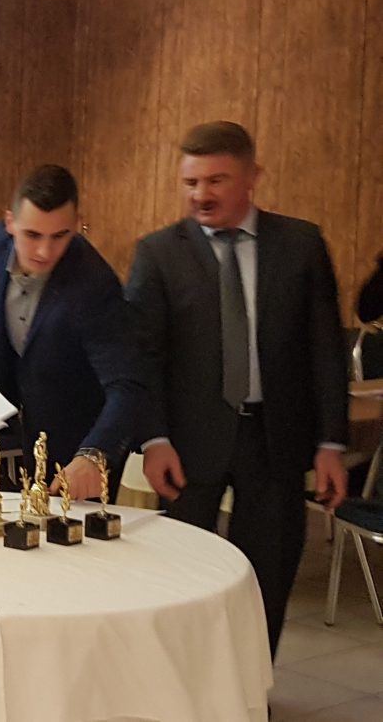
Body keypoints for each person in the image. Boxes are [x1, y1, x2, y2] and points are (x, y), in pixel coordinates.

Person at [126, 121, 349, 658]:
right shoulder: (159, 253)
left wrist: (331, 444)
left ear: (252, 177)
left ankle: (250, 688)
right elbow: (142, 359)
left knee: (266, 580)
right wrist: (154, 439)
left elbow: (325, 349)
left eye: (216, 181)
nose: (201, 195)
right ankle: (183, 687)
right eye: (191, 182)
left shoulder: (300, 246)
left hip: (275, 440)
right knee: (180, 581)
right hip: (188, 446)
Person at [0, 164, 143, 501]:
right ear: (10, 222)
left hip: (82, 432)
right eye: (32, 235)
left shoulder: (95, 284)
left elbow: (127, 385)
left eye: (60, 236)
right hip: (30, 418)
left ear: (77, 224)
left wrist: (94, 454)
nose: (44, 251)